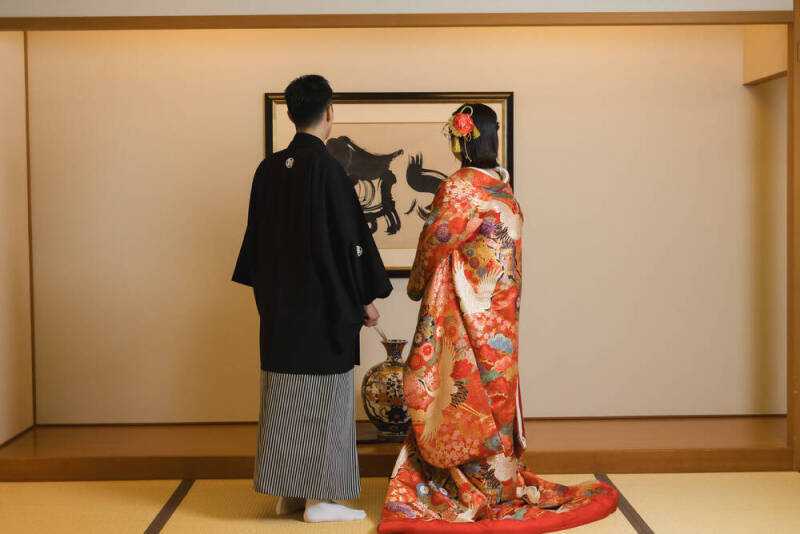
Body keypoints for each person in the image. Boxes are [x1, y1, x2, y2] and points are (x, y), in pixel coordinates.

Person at [377, 104, 619, 532]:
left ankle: (463, 487)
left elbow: (435, 241)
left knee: (461, 395)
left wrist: (416, 286)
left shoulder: (459, 188)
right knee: (496, 395)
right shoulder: (503, 189)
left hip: (466, 314)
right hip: (502, 315)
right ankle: (498, 486)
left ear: (461, 141)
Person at [232, 74, 392, 523]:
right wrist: (366, 299)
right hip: (324, 314)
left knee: (284, 399)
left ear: (289, 114)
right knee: (325, 401)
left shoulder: (267, 170)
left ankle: (289, 493)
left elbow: (254, 246)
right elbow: (351, 244)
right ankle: (321, 499)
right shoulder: (329, 174)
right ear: (329, 113)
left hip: (281, 314)